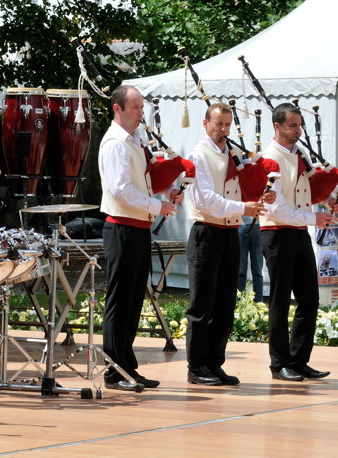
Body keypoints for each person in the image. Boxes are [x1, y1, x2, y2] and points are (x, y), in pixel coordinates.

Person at [98, 85, 181, 391]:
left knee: (133, 300)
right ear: (117, 109)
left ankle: (127, 366)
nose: (140, 113)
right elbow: (120, 189)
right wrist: (158, 206)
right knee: (120, 300)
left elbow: (142, 180)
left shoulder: (135, 141)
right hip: (122, 227)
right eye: (134, 107)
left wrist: (167, 192)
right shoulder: (116, 143)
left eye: (141, 107)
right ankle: (114, 370)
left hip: (138, 227)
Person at [184, 103, 273, 386]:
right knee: (202, 303)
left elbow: (244, 188)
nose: (222, 130)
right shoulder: (199, 155)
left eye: (227, 124)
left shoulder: (232, 155)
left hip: (230, 231)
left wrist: (261, 196)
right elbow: (204, 200)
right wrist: (243, 207)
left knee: (225, 302)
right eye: (217, 124)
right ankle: (197, 367)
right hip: (206, 232)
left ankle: (214, 363)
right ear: (205, 124)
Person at [259, 102, 336, 381]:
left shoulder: (297, 154)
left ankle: (299, 359)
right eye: (292, 125)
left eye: (299, 124)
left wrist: (328, 199)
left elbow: (306, 192)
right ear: (277, 126)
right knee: (279, 300)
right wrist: (315, 219)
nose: (298, 130)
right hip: (277, 232)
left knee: (309, 298)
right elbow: (275, 208)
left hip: (298, 231)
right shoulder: (269, 158)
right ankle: (279, 364)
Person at [237, 215, 264, 301]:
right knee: (254, 270)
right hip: (248, 224)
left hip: (250, 225)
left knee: (243, 270)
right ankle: (242, 301)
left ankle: (256, 302)